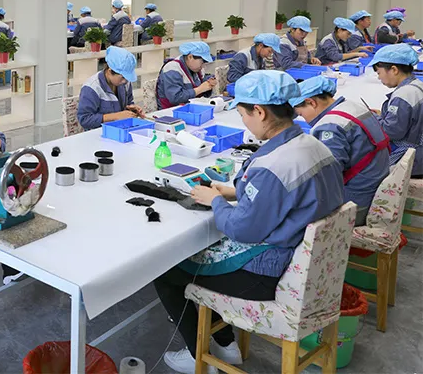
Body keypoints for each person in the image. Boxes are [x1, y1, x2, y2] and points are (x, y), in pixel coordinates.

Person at [156, 70, 344, 374]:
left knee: (166, 270)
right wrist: (232, 191)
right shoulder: (314, 145)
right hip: (308, 266)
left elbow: (242, 229)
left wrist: (215, 201)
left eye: (243, 114)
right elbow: (287, 196)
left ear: (260, 111)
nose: (243, 121)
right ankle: (226, 346)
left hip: (269, 270)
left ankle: (198, 356)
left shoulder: (273, 166)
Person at [291, 76, 389, 225]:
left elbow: (328, 176)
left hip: (357, 201)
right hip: (376, 183)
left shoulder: (329, 126)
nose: (304, 119)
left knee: (291, 212)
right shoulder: (351, 106)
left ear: (311, 102)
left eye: (301, 114)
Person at [370, 44, 423, 177]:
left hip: (414, 157)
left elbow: (392, 132)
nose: (379, 78)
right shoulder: (416, 84)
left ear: (394, 69)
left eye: (379, 73)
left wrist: (373, 118)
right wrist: (384, 115)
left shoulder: (403, 95)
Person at [76, 46, 144, 130]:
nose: (125, 81)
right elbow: (84, 119)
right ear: (109, 71)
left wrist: (132, 109)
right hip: (98, 134)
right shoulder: (92, 88)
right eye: (122, 77)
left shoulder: (125, 83)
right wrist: (115, 116)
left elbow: (128, 102)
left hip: (119, 130)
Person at [156, 42, 216, 109]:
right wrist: (199, 89)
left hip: (190, 108)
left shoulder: (196, 68)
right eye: (202, 62)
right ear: (190, 57)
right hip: (170, 112)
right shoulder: (172, 69)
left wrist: (209, 82)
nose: (203, 66)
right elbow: (175, 98)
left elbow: (201, 81)